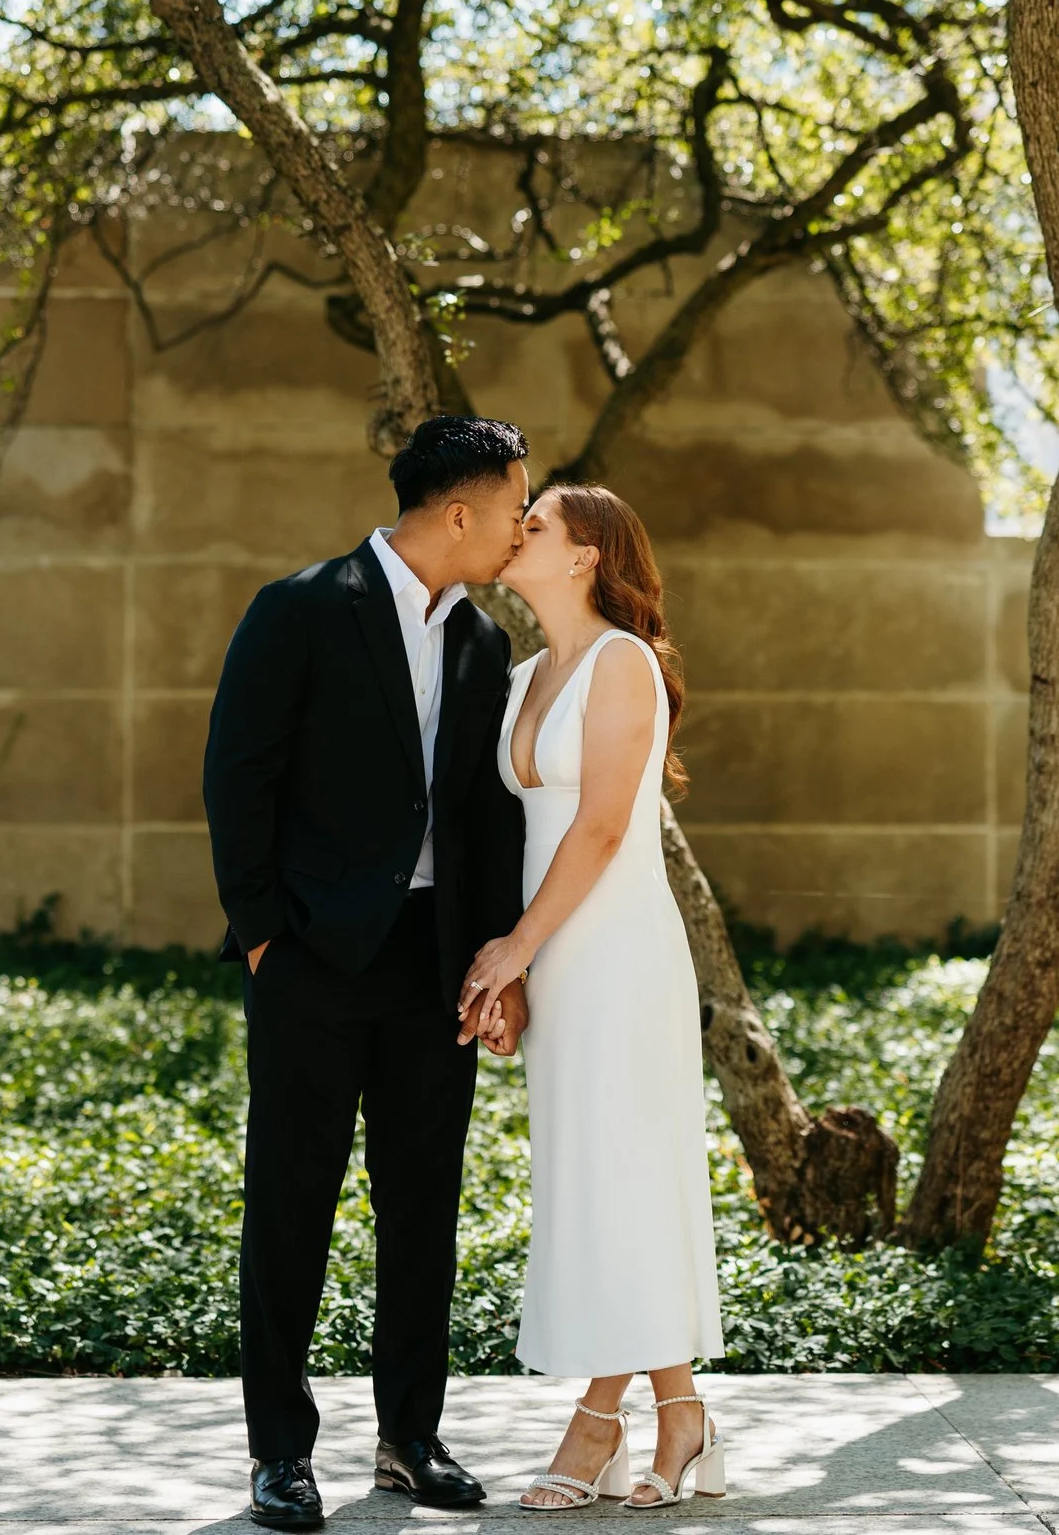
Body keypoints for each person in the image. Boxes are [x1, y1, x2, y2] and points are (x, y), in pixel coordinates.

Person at [202, 415, 534, 1532]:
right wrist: (261, 937)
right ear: (458, 509)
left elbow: (485, 823)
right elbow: (235, 776)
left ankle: (410, 1437)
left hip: (434, 962)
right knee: (291, 1204)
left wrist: (495, 964)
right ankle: (278, 1453)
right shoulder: (299, 607)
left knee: (423, 1208)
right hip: (310, 955)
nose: (520, 527)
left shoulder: (484, 642)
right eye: (512, 506)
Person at [458, 483, 727, 1511]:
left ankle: (598, 1420)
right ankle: (680, 1411)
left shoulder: (624, 662)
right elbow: (518, 834)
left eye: (534, 526)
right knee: (596, 1178)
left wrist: (513, 948)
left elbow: (606, 827)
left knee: (623, 1169)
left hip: (615, 948)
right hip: (554, 954)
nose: (512, 534)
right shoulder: (527, 671)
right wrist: (520, 967)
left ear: (583, 556)